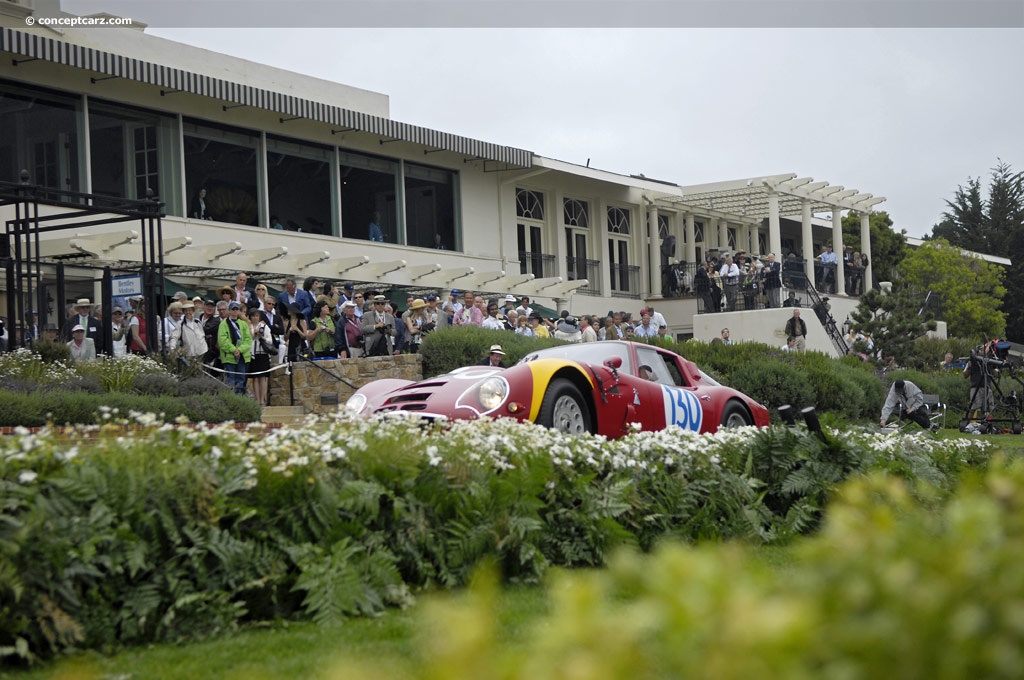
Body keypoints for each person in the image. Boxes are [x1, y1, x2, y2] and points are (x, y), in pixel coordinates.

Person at [218, 302, 252, 395]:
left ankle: (240, 399)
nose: (234, 311)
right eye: (233, 309)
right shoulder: (223, 324)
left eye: (236, 309)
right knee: (230, 381)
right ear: (229, 311)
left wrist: (240, 350)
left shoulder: (243, 324)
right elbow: (222, 340)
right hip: (229, 357)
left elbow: (248, 339)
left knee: (241, 380)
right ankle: (231, 400)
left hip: (242, 357)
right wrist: (233, 350)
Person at [247, 308, 274, 404]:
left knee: (263, 378)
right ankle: (257, 400)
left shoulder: (264, 327)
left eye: (257, 316)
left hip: (263, 354)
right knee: (255, 378)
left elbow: (270, 341)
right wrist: (254, 333)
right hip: (252, 354)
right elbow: (247, 340)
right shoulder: (247, 327)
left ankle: (262, 400)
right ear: (250, 317)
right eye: (253, 316)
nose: (255, 318)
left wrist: (261, 336)